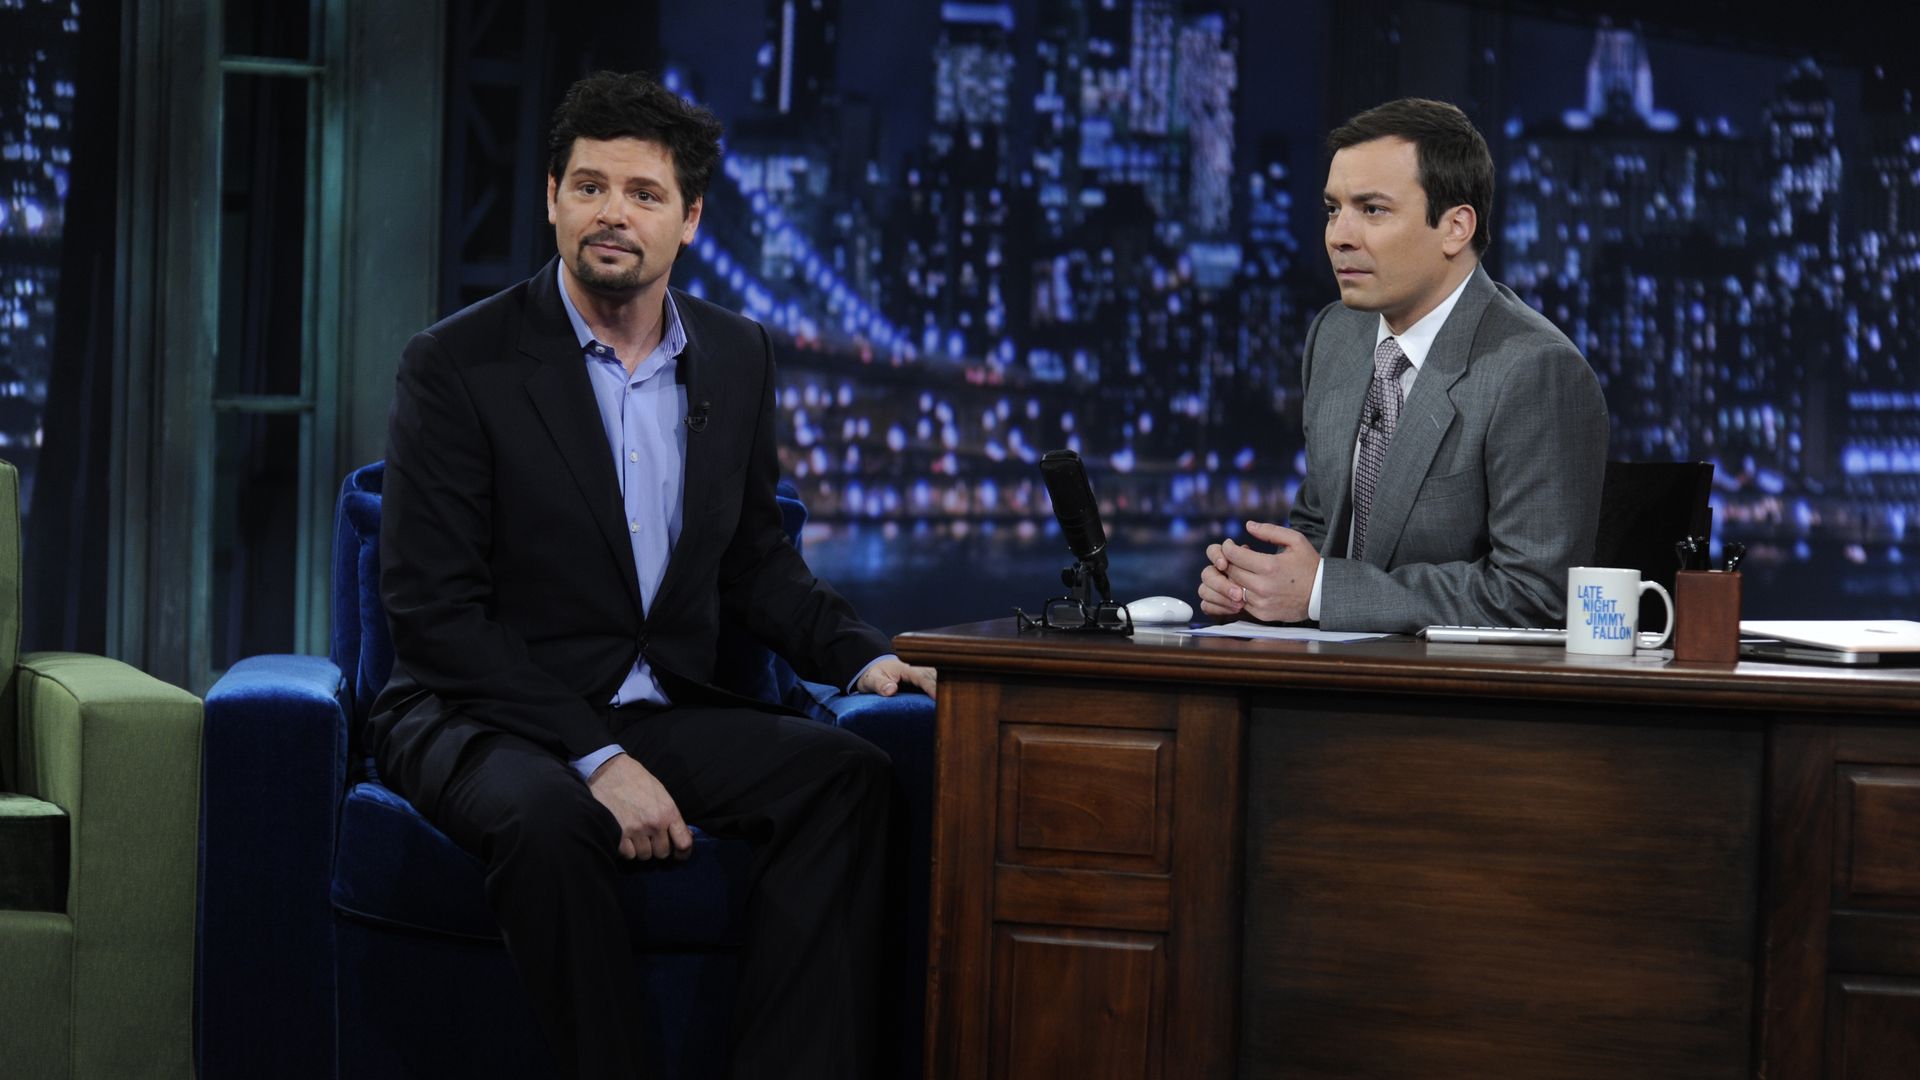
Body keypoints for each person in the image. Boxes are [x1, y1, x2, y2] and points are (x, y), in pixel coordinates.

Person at [368, 70, 935, 1079]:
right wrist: (597, 760)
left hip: (658, 703)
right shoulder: (455, 364)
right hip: (478, 712)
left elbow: (757, 561)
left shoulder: (739, 354)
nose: (611, 215)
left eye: (643, 194)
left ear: (691, 219)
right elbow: (433, 615)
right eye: (589, 187)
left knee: (848, 779)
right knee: (548, 822)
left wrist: (861, 659)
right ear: (550, 199)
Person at [1199, 98, 1608, 632]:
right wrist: (1258, 585)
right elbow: (1319, 530)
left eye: (1372, 210)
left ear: (1456, 227)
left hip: (1448, 701)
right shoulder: (1336, 336)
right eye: (1332, 208)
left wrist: (1321, 594)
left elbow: (1535, 594)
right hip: (1326, 675)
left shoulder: (1533, 371)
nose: (1339, 235)